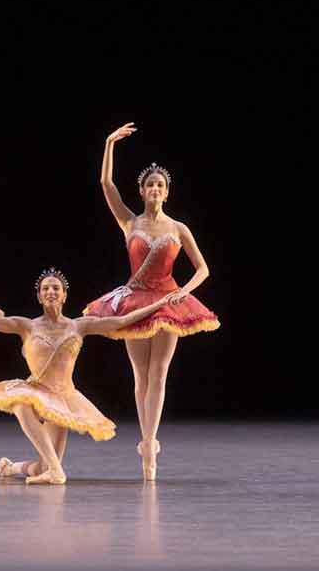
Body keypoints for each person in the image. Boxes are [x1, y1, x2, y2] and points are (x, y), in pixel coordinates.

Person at [0, 271, 174, 484]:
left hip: (62, 397)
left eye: (55, 288)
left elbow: (123, 320)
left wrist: (161, 303)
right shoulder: (27, 326)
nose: (50, 292)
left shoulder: (79, 326)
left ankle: (10, 468)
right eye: (45, 289)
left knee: (43, 464)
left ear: (64, 295)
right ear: (39, 297)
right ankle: (56, 472)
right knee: (21, 403)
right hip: (35, 390)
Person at [87, 124, 219, 481]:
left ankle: (149, 444)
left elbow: (204, 268)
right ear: (143, 191)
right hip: (135, 301)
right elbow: (106, 187)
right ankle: (144, 443)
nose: (155, 190)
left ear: (167, 192)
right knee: (140, 374)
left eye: (160, 186)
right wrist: (109, 144)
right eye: (150, 186)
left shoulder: (178, 227)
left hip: (167, 300)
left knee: (158, 373)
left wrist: (184, 291)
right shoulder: (130, 222)